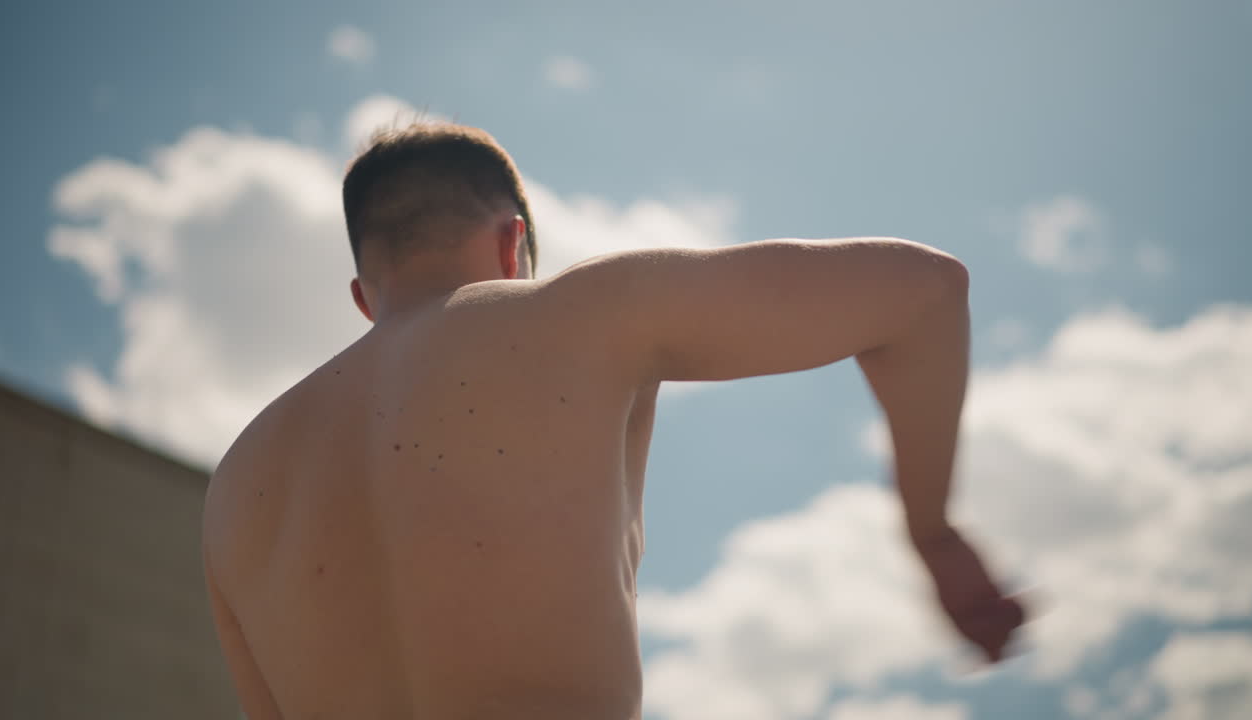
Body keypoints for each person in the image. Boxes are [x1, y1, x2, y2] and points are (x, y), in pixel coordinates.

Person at [201, 121, 1025, 720]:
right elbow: (927, 292)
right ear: (512, 245)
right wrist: (933, 534)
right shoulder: (577, 312)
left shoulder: (236, 486)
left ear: (362, 296)